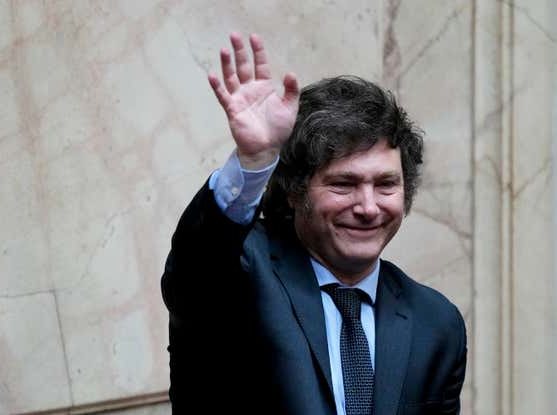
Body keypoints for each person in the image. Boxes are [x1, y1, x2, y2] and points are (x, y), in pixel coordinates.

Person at [161, 32, 467, 415]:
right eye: (344, 184)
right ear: (294, 190)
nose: (368, 207)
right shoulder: (241, 274)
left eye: (386, 184)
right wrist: (254, 164)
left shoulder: (436, 323)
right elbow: (195, 268)